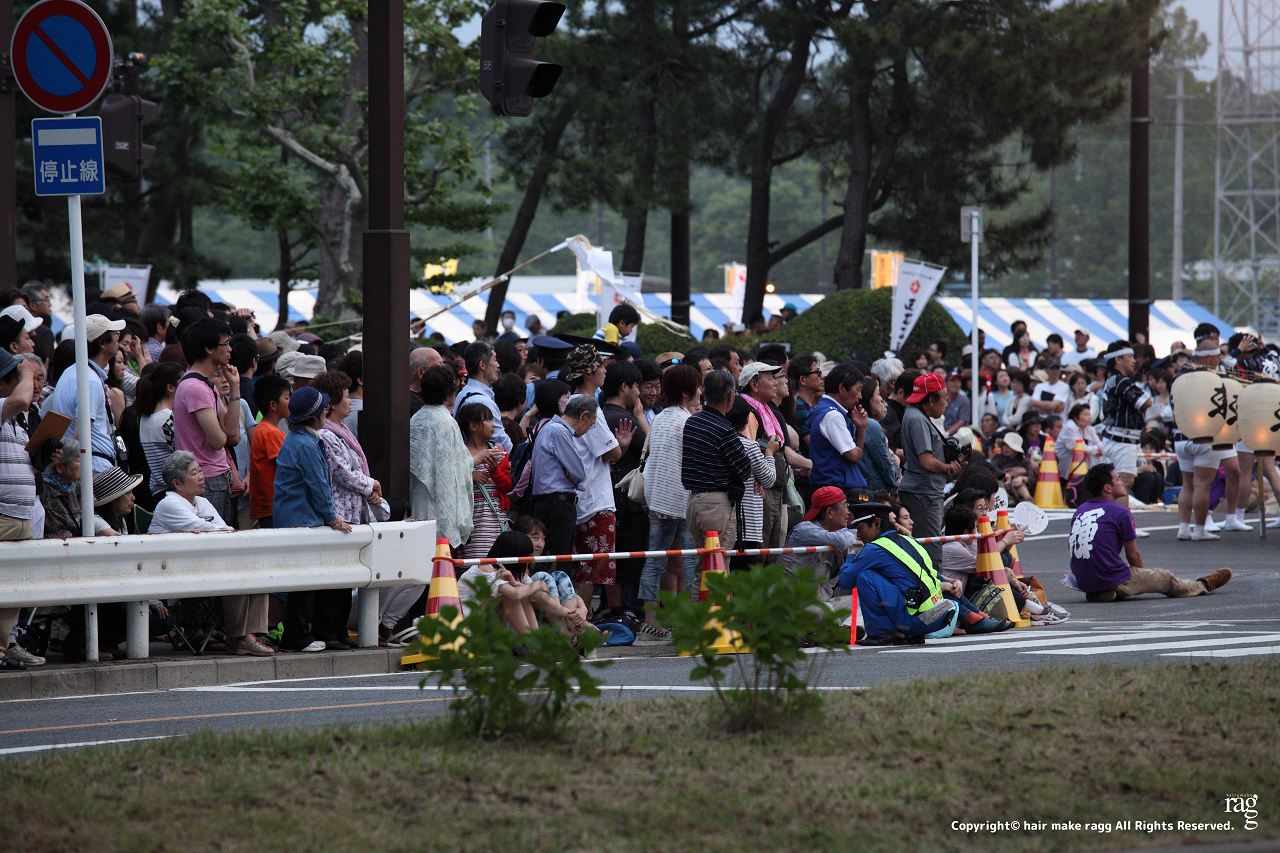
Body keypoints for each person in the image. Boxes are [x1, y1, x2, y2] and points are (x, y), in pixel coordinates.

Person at [1069, 464, 1232, 601]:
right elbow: (1133, 555)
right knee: (1166, 578)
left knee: (1111, 568)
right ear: (1107, 488)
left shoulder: (1081, 510)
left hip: (1083, 580)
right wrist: (1143, 578)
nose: (1121, 482)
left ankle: (1101, 591)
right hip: (1107, 577)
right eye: (1118, 479)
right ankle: (1203, 585)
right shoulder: (1120, 511)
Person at [274, 387, 353, 653]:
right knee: (303, 581)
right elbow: (319, 486)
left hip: (292, 516)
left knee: (301, 580)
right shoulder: (307, 444)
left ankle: (296, 635)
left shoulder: (296, 438)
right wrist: (332, 518)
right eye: (324, 409)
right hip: (302, 519)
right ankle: (297, 637)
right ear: (315, 415)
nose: (327, 412)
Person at [560, 345, 631, 617]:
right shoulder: (588, 407)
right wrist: (619, 447)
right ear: (589, 373)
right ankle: (579, 625)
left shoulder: (575, 402)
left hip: (583, 499)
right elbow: (613, 452)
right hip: (594, 502)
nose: (605, 371)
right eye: (600, 366)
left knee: (584, 568)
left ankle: (579, 623)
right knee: (590, 570)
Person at [637, 364, 703, 636]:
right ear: (687, 393)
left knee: (654, 561)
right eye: (697, 387)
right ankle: (689, 622)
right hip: (683, 500)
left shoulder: (660, 418)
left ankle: (650, 620)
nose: (700, 392)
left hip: (657, 499)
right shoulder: (688, 421)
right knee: (689, 563)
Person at [838, 502, 958, 645]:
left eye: (860, 528)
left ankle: (882, 633)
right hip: (938, 616)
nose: (858, 535)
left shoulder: (874, 548)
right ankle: (912, 634)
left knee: (865, 576)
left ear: (877, 523)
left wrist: (852, 553)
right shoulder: (909, 540)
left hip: (913, 621)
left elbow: (845, 581)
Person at [172, 318, 241, 524]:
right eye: (225, 344)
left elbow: (231, 432)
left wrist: (235, 388)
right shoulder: (196, 387)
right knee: (216, 536)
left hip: (214, 476)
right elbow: (218, 440)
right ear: (209, 349)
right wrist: (222, 430)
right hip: (206, 478)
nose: (230, 349)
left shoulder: (205, 384)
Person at [0, 351, 44, 668]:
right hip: (2, 514)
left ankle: (5, 646)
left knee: (12, 589)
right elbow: (20, 400)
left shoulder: (18, 420)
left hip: (21, 514)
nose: (27, 384)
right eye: (19, 379)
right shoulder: (7, 407)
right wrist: (27, 370)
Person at [682, 370, 753, 552]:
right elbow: (744, 470)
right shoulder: (725, 429)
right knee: (718, 563)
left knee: (701, 562)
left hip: (693, 501)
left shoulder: (691, 422)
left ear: (705, 394)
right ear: (730, 396)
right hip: (716, 505)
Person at [45, 313, 124, 472]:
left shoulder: (72, 372)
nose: (118, 339)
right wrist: (76, 469)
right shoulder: (89, 381)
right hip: (92, 468)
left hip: (87, 464)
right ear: (102, 343)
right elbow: (81, 435)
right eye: (115, 334)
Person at [601, 360, 648, 618]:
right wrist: (640, 417)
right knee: (628, 560)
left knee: (611, 558)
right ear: (624, 387)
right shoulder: (625, 419)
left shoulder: (600, 415)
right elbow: (654, 447)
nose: (639, 392)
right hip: (627, 501)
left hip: (607, 497)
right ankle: (626, 614)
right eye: (637, 386)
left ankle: (614, 612)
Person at [899, 372, 960, 569]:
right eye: (944, 398)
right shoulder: (918, 420)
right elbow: (926, 461)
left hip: (921, 492)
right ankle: (935, 588)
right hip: (924, 495)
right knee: (931, 553)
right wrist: (948, 467)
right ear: (931, 400)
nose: (946, 404)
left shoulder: (913, 413)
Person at [316, 369, 382, 534]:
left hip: (351, 513)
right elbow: (344, 474)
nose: (350, 401)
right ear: (332, 404)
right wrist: (372, 484)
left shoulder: (341, 431)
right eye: (346, 397)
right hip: (341, 516)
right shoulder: (326, 435)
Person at [1098, 341, 1152, 517]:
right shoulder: (1122, 380)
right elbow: (1146, 402)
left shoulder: (1113, 379)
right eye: (1130, 356)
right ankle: (1121, 525)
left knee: (1117, 485)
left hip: (1115, 437)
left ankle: (1116, 522)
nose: (1134, 361)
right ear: (1118, 359)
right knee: (1123, 484)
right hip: (1122, 439)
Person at [781, 486, 858, 608]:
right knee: (826, 610)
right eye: (845, 506)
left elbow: (856, 535)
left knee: (861, 601)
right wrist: (853, 537)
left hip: (823, 600)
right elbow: (843, 541)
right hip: (794, 604)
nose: (848, 512)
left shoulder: (836, 532)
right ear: (829, 512)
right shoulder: (804, 530)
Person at [456, 402, 510, 560]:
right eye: (487, 420)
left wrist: (494, 471)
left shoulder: (498, 451)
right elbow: (449, 481)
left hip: (494, 517)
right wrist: (470, 475)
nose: (493, 425)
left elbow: (507, 486)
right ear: (473, 426)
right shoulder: (459, 452)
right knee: (472, 564)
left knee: (496, 562)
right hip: (470, 518)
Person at [805, 362, 869, 495]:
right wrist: (857, 451)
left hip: (831, 487)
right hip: (833, 490)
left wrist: (861, 428)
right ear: (842, 388)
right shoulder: (832, 415)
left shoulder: (826, 410)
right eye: (858, 390)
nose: (860, 396)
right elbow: (853, 455)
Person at [136, 361, 184, 504]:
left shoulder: (145, 418)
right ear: (170, 387)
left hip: (158, 491)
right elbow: (181, 457)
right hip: (175, 491)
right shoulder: (168, 419)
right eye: (183, 382)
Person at [453, 341, 512, 452]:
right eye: (495, 360)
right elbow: (502, 443)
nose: (498, 365)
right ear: (482, 365)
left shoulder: (463, 393)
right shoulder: (483, 401)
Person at [249, 375, 291, 529]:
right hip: (273, 505)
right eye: (287, 398)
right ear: (273, 405)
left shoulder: (262, 428)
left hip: (269, 505)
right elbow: (286, 468)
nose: (290, 402)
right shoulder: (271, 433)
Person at [408, 346, 442, 417]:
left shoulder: (434, 396)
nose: (443, 372)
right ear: (420, 372)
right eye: (437, 367)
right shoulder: (408, 403)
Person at [942, 371, 969, 435]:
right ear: (946, 384)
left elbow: (962, 421)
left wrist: (947, 433)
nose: (956, 384)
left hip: (958, 436)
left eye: (958, 381)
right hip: (940, 432)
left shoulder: (964, 400)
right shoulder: (941, 399)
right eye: (953, 381)